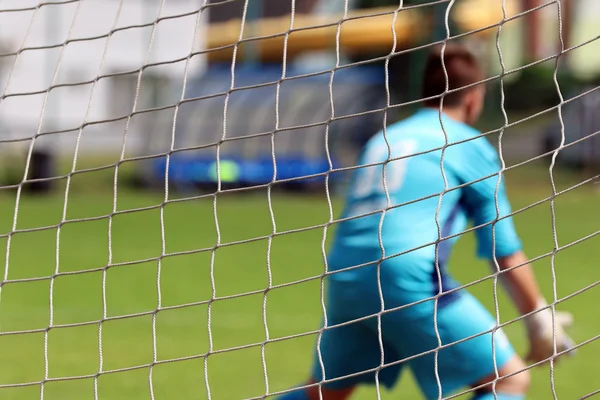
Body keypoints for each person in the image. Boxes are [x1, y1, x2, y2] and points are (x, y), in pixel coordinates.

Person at [277, 44, 576, 400]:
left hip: (346, 276)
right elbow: (503, 251)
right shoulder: (468, 144)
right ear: (474, 98)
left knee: (324, 394)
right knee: (508, 380)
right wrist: (538, 317)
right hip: (405, 276)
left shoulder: (384, 138)